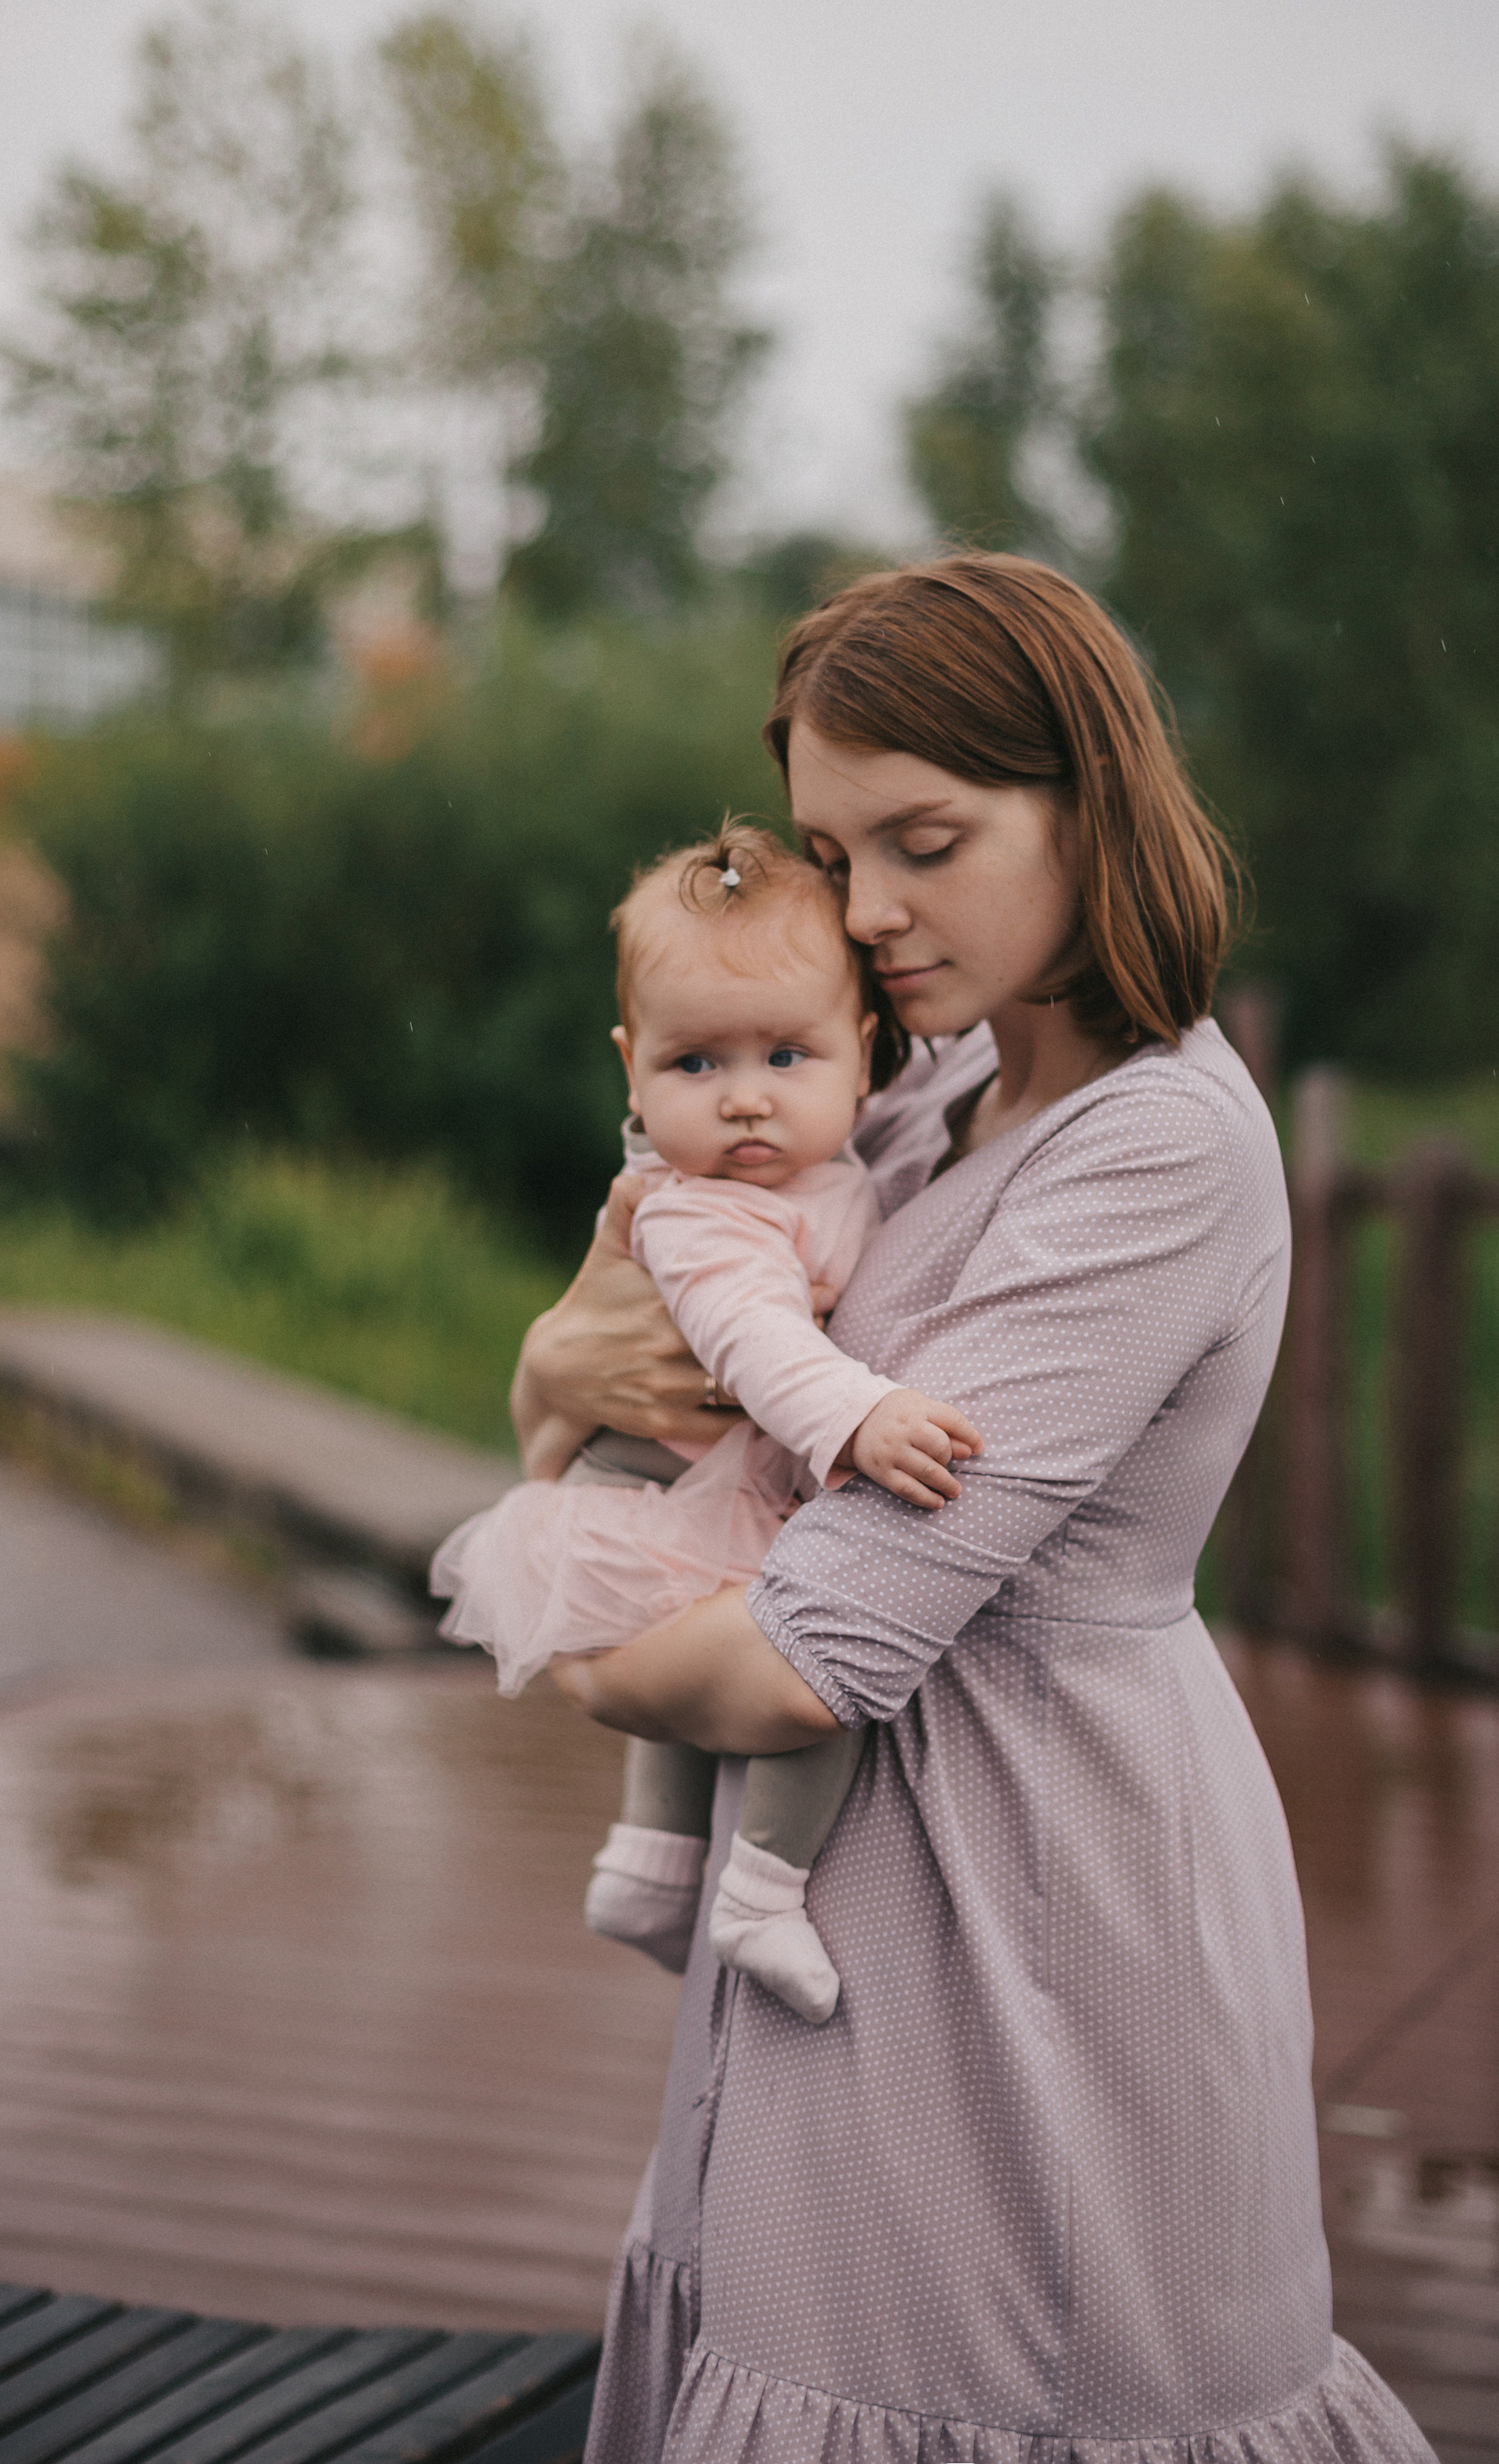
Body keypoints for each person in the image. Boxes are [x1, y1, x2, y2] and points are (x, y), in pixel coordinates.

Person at [519, 554, 1436, 2461]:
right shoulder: (921, 1092)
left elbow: (804, 1664)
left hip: (1035, 1890)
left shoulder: (1156, 1146)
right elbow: (619, 1365)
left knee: (998, 2374)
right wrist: (551, 1372)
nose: (865, 910)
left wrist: (578, 1645)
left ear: (1087, 804)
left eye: (922, 843)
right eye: (832, 852)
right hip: (838, 1882)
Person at [433, 821, 980, 2022]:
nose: (745, 1099)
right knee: (821, 1672)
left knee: (724, 1653)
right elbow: (755, 1342)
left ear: (864, 1054)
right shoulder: (696, 1211)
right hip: (660, 1487)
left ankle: (647, 1864)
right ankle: (762, 1896)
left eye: (786, 1055)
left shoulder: (825, 1170)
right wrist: (859, 1415)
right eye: (695, 1064)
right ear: (632, 1068)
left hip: (681, 1481)